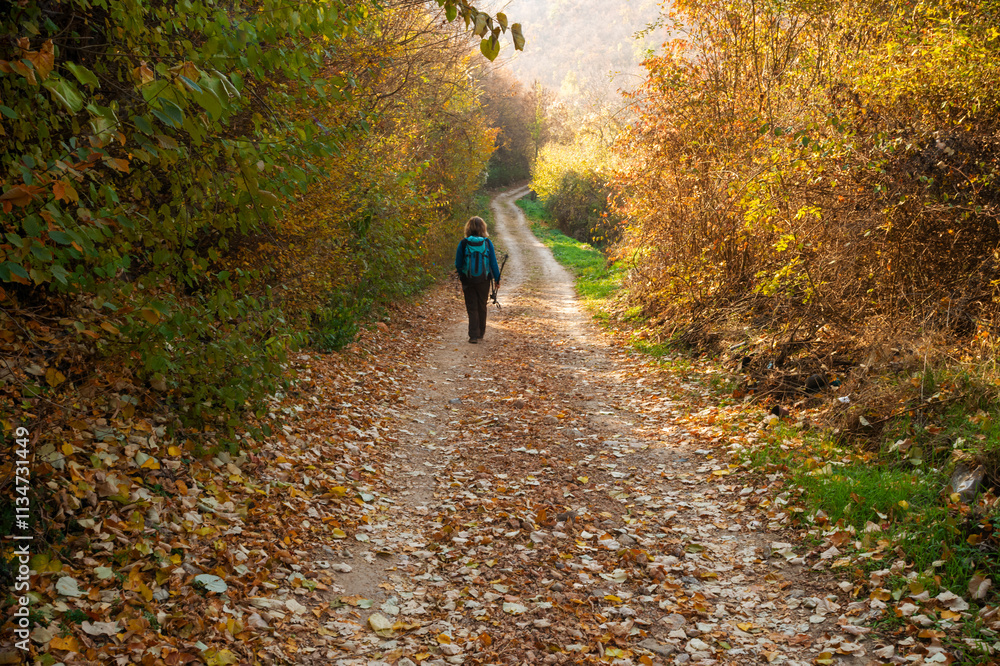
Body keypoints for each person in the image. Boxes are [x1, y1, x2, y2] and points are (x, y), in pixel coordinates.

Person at [455, 216, 501, 344]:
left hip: (468, 279)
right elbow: (493, 262)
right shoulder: (487, 242)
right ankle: (481, 333)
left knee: (472, 306)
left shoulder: (463, 243)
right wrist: (497, 279)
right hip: (484, 279)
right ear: (483, 228)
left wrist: (462, 275)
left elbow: (458, 263)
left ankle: (473, 336)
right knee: (482, 305)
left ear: (468, 228)